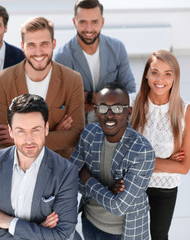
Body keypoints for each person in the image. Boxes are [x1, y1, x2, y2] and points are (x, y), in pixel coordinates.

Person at [0, 94, 79, 239]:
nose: (29, 139)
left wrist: (11, 223)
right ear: (10, 131)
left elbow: (62, 233)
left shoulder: (66, 171)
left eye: (36, 130)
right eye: (21, 130)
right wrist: (35, 233)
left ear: (46, 128)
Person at [70, 82, 155, 239]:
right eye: (103, 108)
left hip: (123, 232)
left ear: (128, 112)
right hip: (89, 222)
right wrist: (109, 189)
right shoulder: (89, 134)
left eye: (117, 108)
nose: (109, 114)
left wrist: (88, 179)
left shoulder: (142, 151)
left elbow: (119, 207)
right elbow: (71, 178)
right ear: (96, 111)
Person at [0, 16, 85, 159]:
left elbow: (76, 133)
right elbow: (3, 137)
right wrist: (53, 132)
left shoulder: (72, 79)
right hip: (19, 165)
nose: (38, 51)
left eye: (44, 43)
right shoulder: (3, 80)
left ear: (54, 44)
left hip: (59, 165)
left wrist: (24, 137)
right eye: (31, 45)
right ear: (22, 46)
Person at [130, 50, 190, 240]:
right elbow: (123, 154)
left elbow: (183, 167)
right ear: (146, 74)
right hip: (133, 184)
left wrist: (141, 161)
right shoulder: (132, 104)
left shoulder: (185, 111)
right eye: (155, 72)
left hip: (165, 188)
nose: (160, 79)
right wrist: (165, 162)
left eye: (167, 74)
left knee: (159, 235)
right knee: (130, 234)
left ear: (175, 78)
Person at [54, 0, 136, 123]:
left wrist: (89, 97)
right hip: (80, 127)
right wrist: (111, 96)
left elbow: (130, 93)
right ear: (74, 22)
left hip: (114, 123)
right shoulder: (62, 57)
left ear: (102, 22)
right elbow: (63, 105)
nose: (89, 29)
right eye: (83, 22)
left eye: (94, 22)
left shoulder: (117, 48)